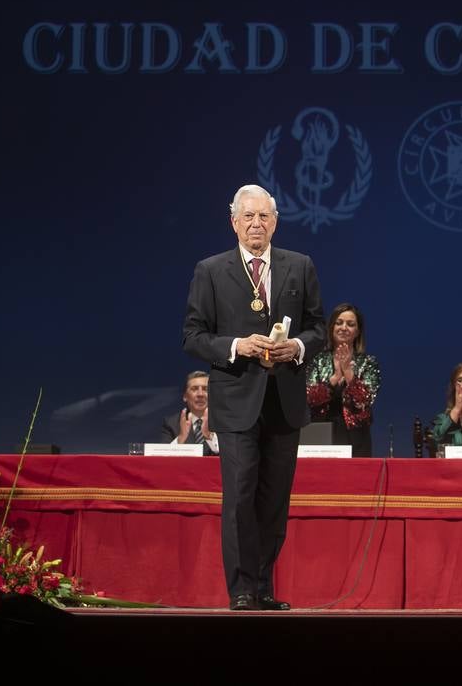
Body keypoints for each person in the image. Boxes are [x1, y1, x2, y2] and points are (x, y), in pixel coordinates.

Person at [183, 184, 325, 611]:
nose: (256, 224)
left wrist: (297, 347)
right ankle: (242, 589)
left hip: (284, 401)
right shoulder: (210, 270)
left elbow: (317, 328)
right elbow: (193, 336)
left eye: (263, 216)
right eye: (248, 217)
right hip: (236, 401)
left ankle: (263, 586)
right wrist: (236, 346)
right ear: (233, 222)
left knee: (274, 500)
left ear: (275, 221)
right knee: (240, 497)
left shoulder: (300, 266)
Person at [305, 302, 381, 457]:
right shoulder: (317, 360)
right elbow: (309, 398)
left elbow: (364, 400)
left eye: (350, 324)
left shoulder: (368, 362)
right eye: (339, 323)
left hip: (356, 436)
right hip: (320, 433)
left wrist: (348, 373)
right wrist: (334, 379)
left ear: (358, 331)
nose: (344, 327)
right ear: (332, 327)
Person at [161, 370, 219, 456]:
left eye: (205, 389)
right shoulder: (171, 424)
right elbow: (161, 459)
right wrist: (180, 439)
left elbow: (233, 456)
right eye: (194, 389)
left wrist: (210, 438)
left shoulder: (224, 422)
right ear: (185, 396)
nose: (200, 394)